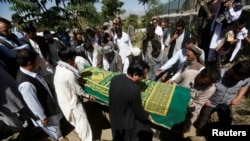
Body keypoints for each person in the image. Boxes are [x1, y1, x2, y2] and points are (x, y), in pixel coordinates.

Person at [16, 49, 67, 141]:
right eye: (38, 61)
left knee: (56, 126)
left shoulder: (31, 72)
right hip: (45, 114)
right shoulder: (26, 84)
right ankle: (59, 138)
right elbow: (33, 104)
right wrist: (43, 117)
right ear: (29, 63)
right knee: (53, 129)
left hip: (48, 106)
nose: (39, 63)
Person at [194, 60, 250, 132]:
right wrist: (205, 99)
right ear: (232, 72)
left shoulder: (245, 76)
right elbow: (202, 85)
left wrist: (238, 98)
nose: (243, 80)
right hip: (210, 102)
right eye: (241, 78)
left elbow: (246, 85)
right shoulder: (217, 74)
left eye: (244, 78)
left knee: (226, 123)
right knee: (201, 124)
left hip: (226, 103)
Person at [53, 47, 93, 141]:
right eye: (74, 58)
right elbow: (78, 90)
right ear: (69, 60)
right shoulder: (68, 74)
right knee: (83, 125)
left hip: (64, 102)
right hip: (72, 104)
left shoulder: (59, 67)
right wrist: (88, 96)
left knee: (78, 125)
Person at [109, 60, 153, 141]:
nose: (145, 78)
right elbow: (138, 111)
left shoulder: (115, 78)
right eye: (143, 76)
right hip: (126, 123)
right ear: (135, 75)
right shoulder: (134, 89)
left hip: (114, 118)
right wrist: (147, 116)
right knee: (148, 133)